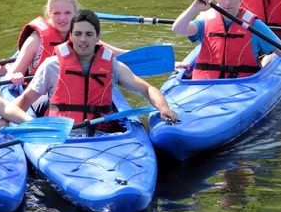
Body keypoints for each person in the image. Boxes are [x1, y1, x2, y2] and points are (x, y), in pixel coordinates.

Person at [12, 10, 178, 127]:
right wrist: (7, 121)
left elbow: (147, 89)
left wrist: (164, 108)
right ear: (70, 36)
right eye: (77, 34)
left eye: (89, 34)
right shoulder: (51, 65)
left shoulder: (112, 65)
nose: (82, 39)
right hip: (64, 136)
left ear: (98, 37)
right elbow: (26, 100)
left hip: (103, 135)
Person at [8, 0, 127, 85]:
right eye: (56, 13)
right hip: (41, 95)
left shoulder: (81, 37)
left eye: (68, 13)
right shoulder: (35, 41)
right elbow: (12, 74)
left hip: (73, 90)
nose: (62, 18)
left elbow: (119, 54)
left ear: (76, 14)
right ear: (49, 14)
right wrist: (16, 75)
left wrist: (142, 55)